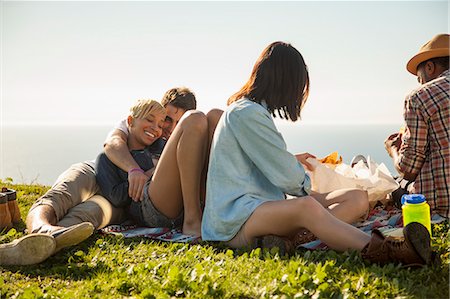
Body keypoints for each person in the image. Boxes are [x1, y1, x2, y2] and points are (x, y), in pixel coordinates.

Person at [201, 41, 433, 266]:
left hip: (259, 207)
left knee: (357, 197)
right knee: (307, 207)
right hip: (235, 223)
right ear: (286, 82)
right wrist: (304, 180)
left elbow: (262, 165)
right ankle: (387, 252)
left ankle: (293, 240)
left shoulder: (251, 111)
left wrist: (294, 167)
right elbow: (289, 179)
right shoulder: (248, 113)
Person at [0, 88, 199, 266]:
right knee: (67, 189)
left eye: (178, 123)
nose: (170, 128)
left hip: (122, 196)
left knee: (92, 212)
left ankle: (43, 243)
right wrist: (135, 171)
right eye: (167, 120)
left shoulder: (172, 142)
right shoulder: (139, 118)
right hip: (103, 170)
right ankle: (40, 227)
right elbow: (112, 143)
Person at [385, 34, 449, 218]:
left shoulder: (421, 96)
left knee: (397, 189)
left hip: (441, 202)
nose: (419, 82)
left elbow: (409, 169)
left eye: (419, 76)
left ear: (430, 67)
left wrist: (393, 151)